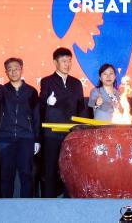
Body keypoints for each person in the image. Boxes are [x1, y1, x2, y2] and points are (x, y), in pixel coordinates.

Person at [0, 57, 40, 198]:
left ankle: (26, 206)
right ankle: (6, 206)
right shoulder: (3, 89)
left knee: (26, 173)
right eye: (10, 69)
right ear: (6, 72)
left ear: (21, 69)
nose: (13, 72)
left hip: (26, 137)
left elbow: (36, 116)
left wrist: (37, 139)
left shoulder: (31, 91)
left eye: (16, 68)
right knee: (6, 174)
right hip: (5, 137)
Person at [39, 47, 87, 197]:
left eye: (69, 61)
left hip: (71, 134)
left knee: (71, 168)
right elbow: (40, 105)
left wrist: (82, 131)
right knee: (50, 168)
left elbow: (81, 108)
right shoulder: (47, 81)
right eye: (64, 61)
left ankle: (69, 199)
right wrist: (47, 101)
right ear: (55, 62)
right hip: (52, 133)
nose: (67, 64)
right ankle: (49, 200)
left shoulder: (76, 83)